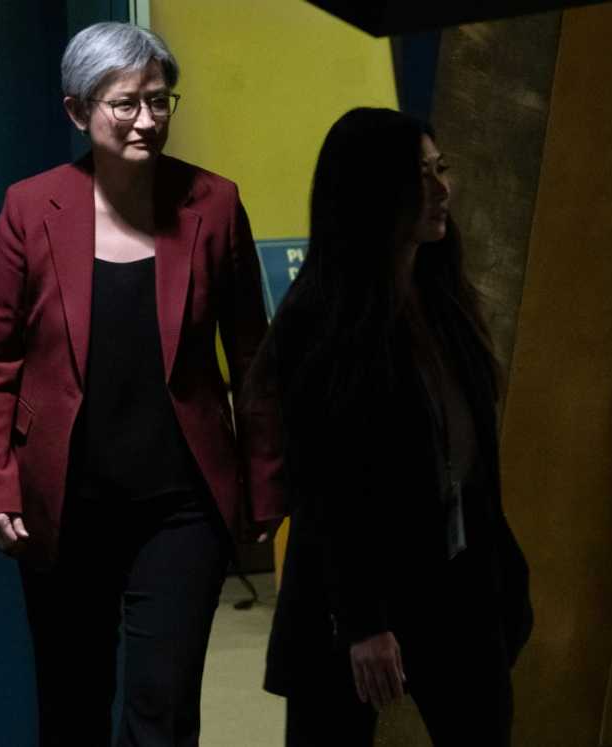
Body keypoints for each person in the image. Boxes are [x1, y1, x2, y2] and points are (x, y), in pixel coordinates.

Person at [0, 22, 283, 746]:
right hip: (64, 501)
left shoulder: (215, 203)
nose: (147, 119)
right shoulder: (29, 207)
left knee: (163, 710)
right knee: (73, 705)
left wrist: (264, 477)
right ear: (79, 110)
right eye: (126, 104)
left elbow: (252, 351)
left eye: (159, 100)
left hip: (182, 507)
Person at [248, 107, 533, 746]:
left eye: (441, 170)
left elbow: (471, 465)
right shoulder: (322, 320)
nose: (442, 190)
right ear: (375, 193)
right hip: (352, 600)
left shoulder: (444, 300)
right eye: (419, 176)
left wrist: (504, 577)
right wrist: (362, 624)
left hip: (457, 587)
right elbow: (328, 491)